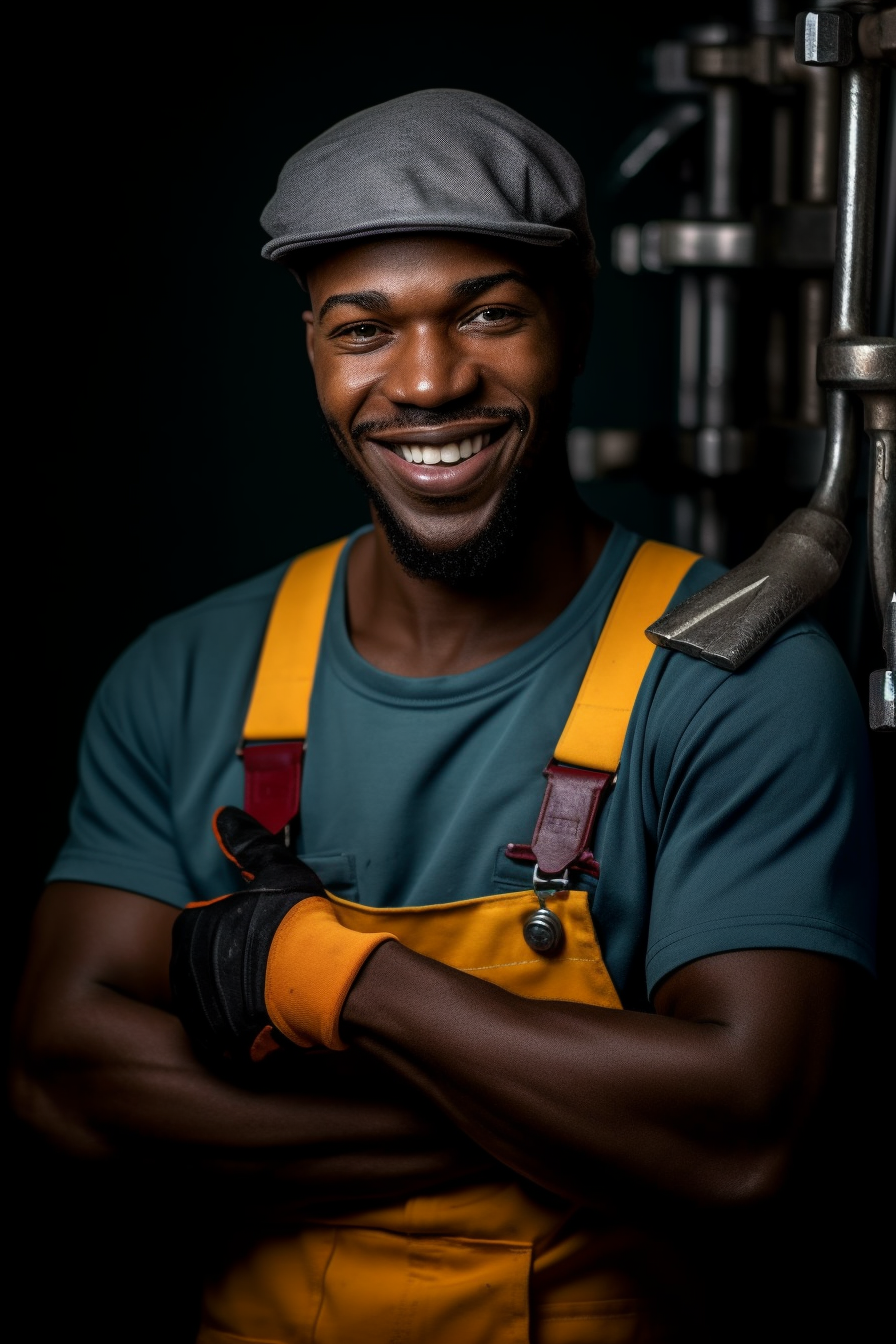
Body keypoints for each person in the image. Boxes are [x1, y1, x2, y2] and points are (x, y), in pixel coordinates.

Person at [12, 90, 876, 1343]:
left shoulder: (735, 680)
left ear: (569, 322)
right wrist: (538, 1122)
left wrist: (331, 976)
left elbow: (739, 1138)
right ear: (310, 350)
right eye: (363, 329)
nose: (424, 382)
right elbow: (60, 1076)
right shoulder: (187, 670)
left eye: (485, 313)